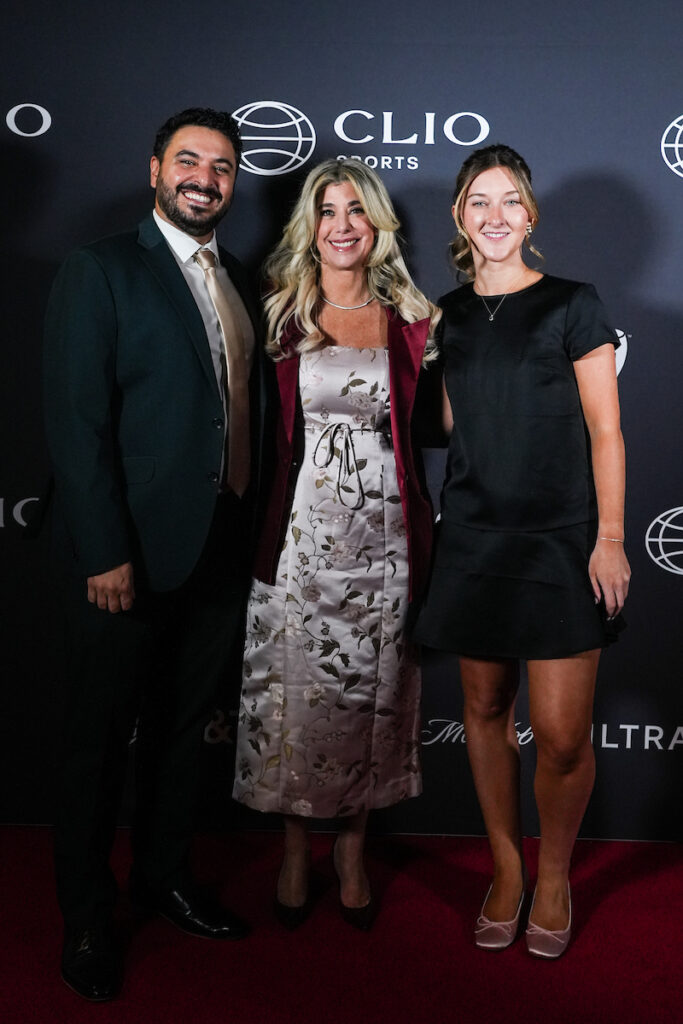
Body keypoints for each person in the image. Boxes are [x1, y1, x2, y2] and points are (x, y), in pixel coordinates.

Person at [43, 107, 264, 1001]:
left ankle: (164, 877)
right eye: (188, 161)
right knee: (99, 742)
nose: (204, 178)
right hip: (125, 557)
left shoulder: (240, 278)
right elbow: (76, 422)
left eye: (221, 166)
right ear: (154, 170)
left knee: (182, 733)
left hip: (219, 548)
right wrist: (104, 550)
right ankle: (87, 916)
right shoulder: (100, 269)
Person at [416, 145, 630, 958]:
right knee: (482, 711)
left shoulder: (573, 304)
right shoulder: (445, 315)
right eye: (479, 201)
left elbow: (605, 431)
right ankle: (507, 868)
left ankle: (553, 876)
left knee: (563, 736)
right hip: (472, 537)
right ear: (459, 217)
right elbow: (441, 424)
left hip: (561, 542)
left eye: (509, 200)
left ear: (530, 215)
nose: (495, 215)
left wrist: (609, 538)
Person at [232, 158, 440, 930]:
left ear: (377, 224)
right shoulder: (277, 314)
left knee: (370, 699)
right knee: (294, 695)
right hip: (298, 539)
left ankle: (351, 849)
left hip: (384, 545)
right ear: (309, 226)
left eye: (356, 210)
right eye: (327, 211)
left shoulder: (413, 322)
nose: (342, 225)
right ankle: (294, 848)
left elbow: (440, 429)